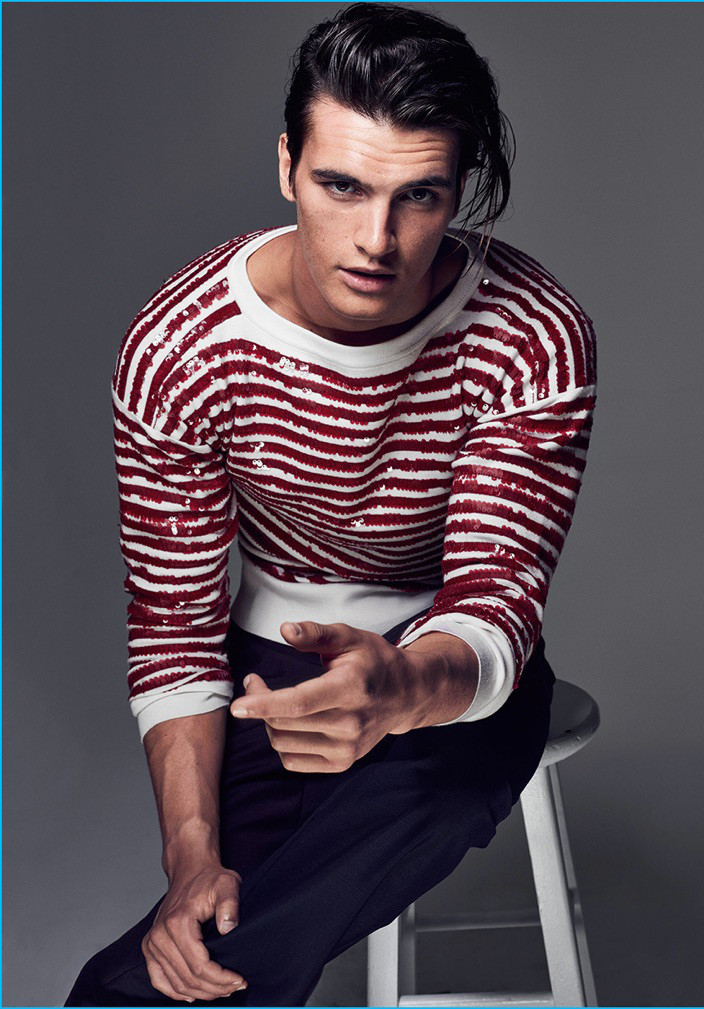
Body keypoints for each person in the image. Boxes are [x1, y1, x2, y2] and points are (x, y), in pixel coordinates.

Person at [64, 3, 597, 1005]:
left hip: (452, 663)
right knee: (213, 909)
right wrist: (190, 857)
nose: (375, 240)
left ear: (460, 191)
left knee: (432, 796)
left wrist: (401, 690)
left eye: (418, 196)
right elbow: (174, 626)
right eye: (341, 185)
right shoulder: (179, 347)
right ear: (286, 166)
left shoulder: (531, 332)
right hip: (269, 659)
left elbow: (495, 594)